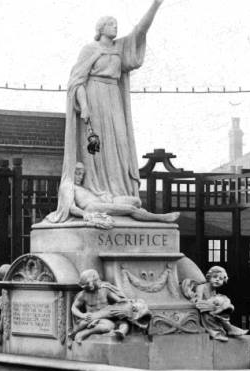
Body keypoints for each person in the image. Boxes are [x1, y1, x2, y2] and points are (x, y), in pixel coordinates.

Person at [47, 0, 165, 223]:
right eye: (111, 24)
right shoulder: (90, 49)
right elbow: (77, 80)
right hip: (94, 97)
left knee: (120, 144)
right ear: (101, 29)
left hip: (114, 98)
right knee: (97, 146)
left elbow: (140, 31)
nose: (115, 26)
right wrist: (84, 105)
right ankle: (99, 189)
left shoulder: (120, 48)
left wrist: (155, 5)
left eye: (116, 24)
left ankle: (119, 190)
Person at [71, 162, 179, 223]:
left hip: (104, 201)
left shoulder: (83, 186)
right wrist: (85, 214)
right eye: (77, 174)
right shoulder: (68, 186)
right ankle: (160, 218)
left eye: (82, 174)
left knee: (136, 201)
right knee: (131, 209)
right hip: (92, 207)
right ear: (71, 173)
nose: (80, 177)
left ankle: (143, 214)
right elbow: (71, 207)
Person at [181, 266, 248, 342]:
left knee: (224, 308)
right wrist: (210, 306)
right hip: (202, 312)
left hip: (211, 311)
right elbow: (198, 302)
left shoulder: (213, 291)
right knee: (210, 315)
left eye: (220, 279)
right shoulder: (201, 287)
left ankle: (228, 329)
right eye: (215, 277)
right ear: (209, 277)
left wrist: (217, 306)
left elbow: (213, 301)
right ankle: (219, 332)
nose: (217, 280)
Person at [69, 269, 130, 344]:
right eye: (96, 280)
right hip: (90, 319)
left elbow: (120, 302)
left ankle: (119, 332)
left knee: (124, 324)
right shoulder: (83, 295)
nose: (99, 281)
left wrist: (125, 307)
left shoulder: (105, 290)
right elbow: (74, 308)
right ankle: (80, 334)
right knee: (107, 326)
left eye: (97, 280)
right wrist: (82, 315)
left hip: (106, 318)